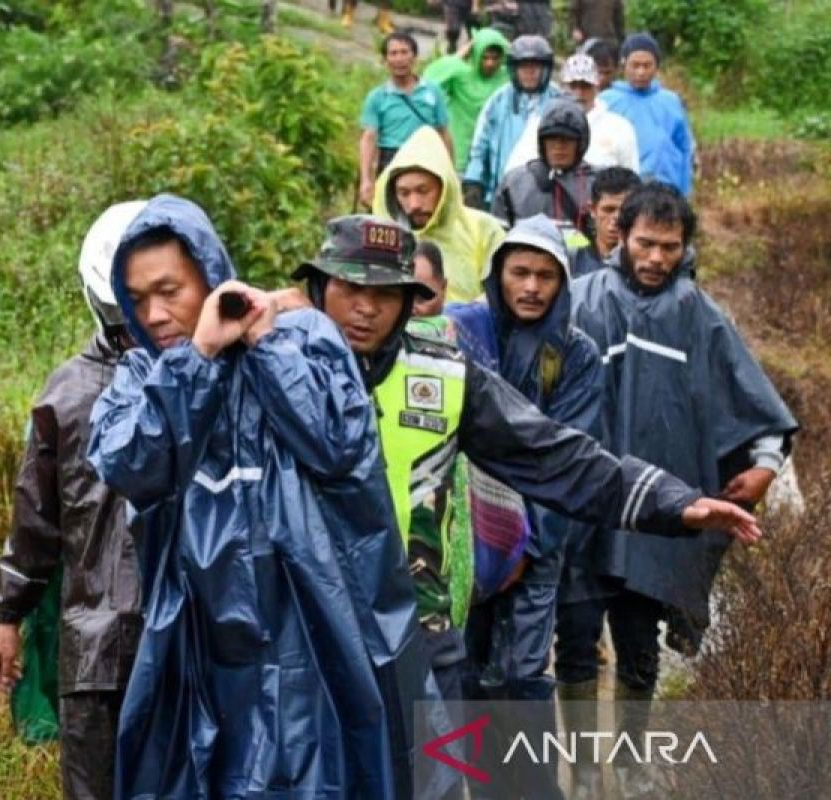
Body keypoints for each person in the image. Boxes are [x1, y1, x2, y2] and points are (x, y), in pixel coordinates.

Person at [290, 211, 763, 738]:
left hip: (418, 633)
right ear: (318, 288)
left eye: (385, 292)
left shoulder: (443, 375)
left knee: (434, 766)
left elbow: (553, 454)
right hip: (306, 632)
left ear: (406, 301)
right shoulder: (275, 370)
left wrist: (672, 502)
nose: (365, 307)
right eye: (350, 288)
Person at [87, 195, 452, 800]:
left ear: (210, 277)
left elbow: (337, 444)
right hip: (200, 656)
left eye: (169, 291)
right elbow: (130, 465)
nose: (154, 314)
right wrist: (199, 359)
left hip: (316, 645)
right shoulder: (142, 377)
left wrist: (264, 344)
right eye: (138, 297)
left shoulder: (301, 338)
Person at [566, 183, 798, 796]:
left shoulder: (700, 315)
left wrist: (765, 464)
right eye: (645, 242)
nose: (656, 258)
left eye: (670, 247)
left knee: (639, 647)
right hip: (584, 508)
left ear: (685, 247)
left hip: (659, 517)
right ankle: (583, 770)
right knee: (576, 644)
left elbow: (752, 400)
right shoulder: (581, 301)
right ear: (620, 235)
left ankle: (629, 763)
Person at [0, 201, 146, 800]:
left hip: (159, 642)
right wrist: (8, 618)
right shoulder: (68, 393)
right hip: (105, 649)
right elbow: (37, 519)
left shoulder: (212, 374)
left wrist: (8, 617)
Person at [444, 216, 603, 800]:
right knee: (465, 668)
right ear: (498, 275)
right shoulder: (464, 332)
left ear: (562, 283)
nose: (531, 287)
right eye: (520, 273)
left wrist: (524, 549)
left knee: (522, 675)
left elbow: (570, 459)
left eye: (545, 275)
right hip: (463, 533)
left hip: (537, 540)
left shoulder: (576, 354)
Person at [372, 127, 504, 304]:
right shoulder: (383, 238)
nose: (414, 204)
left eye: (423, 191)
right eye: (404, 193)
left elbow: (502, 293)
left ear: (444, 187)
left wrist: (460, 315)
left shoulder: (483, 229)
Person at [463, 35, 562, 209]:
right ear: (513, 69)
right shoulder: (498, 100)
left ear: (546, 69)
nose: (529, 73)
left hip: (547, 195)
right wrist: (473, 181)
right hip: (502, 194)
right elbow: (479, 146)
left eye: (535, 67)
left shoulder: (559, 101)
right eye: (524, 67)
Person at [360, 32, 454, 209]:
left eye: (404, 52)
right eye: (393, 53)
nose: (399, 59)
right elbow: (369, 137)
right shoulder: (377, 97)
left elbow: (443, 132)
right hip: (391, 160)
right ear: (385, 60)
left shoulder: (432, 91)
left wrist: (450, 172)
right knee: (389, 214)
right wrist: (366, 179)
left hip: (426, 159)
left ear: (414, 57)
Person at [600, 33, 695, 196]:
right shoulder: (607, 101)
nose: (641, 72)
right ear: (623, 65)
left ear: (656, 67)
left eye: (647, 65)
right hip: (623, 189)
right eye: (635, 65)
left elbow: (685, 147)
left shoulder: (671, 101)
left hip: (666, 188)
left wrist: (684, 190)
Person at [492, 99, 596, 236]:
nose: (559, 146)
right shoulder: (514, 184)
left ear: (581, 143)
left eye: (567, 139)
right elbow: (498, 236)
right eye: (552, 138)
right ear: (542, 142)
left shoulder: (598, 184)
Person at [424, 27, 512, 172]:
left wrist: (508, 47)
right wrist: (462, 53)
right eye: (485, 57)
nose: (490, 63)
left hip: (491, 152)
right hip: (460, 151)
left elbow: (531, 66)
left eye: (495, 58)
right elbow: (429, 79)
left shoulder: (506, 76)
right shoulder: (461, 74)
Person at [561, 53, 638, 172]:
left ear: (596, 87)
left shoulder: (620, 128)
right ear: (563, 88)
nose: (579, 93)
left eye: (585, 86)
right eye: (573, 86)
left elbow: (631, 174)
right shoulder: (545, 124)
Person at [571, 165, 640, 277]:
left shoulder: (648, 261)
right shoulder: (571, 256)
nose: (617, 218)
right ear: (592, 209)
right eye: (609, 210)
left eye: (626, 210)